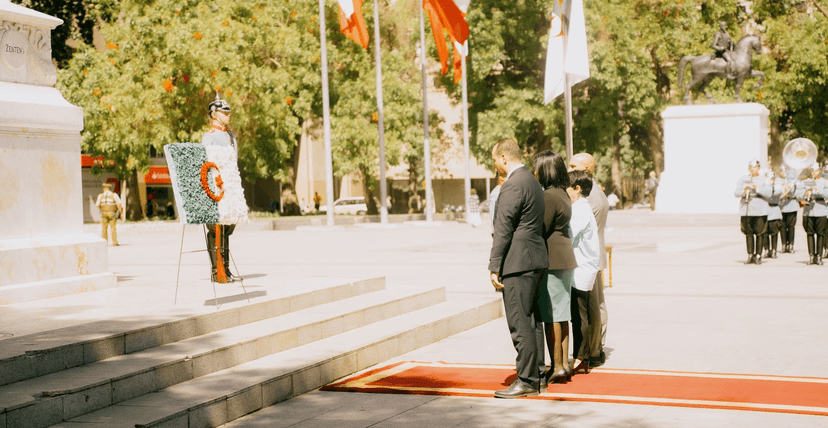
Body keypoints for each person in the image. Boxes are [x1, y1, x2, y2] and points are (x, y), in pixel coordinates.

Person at [488, 137, 548, 398]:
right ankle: (538, 376)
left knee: (519, 322)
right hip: (535, 259)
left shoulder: (512, 185)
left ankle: (526, 380)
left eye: (494, 160)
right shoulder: (532, 181)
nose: (494, 166)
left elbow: (503, 229)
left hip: (517, 262)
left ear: (503, 157)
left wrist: (494, 264)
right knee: (533, 321)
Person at [534, 150, 577, 385]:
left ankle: (558, 365)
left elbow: (541, 228)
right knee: (562, 315)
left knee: (551, 315)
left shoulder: (548, 196)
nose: (535, 172)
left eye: (538, 167)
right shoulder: (563, 194)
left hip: (552, 259)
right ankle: (564, 364)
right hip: (565, 258)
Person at [569, 153, 609, 368]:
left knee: (592, 307)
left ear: (588, 168)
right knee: (597, 305)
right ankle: (596, 349)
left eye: (574, 165)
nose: (569, 168)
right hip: (595, 257)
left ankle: (593, 351)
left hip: (588, 259)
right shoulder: (596, 190)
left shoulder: (587, 196)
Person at [566, 169, 601, 376]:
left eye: (567, 187)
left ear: (577, 189)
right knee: (579, 314)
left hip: (581, 269)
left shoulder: (580, 209)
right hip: (583, 268)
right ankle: (582, 356)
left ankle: (581, 357)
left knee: (580, 316)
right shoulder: (581, 207)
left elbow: (569, 233)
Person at [202, 92, 239, 283]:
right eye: (224, 112)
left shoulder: (231, 137)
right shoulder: (210, 137)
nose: (228, 115)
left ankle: (226, 269)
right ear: (214, 114)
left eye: (228, 112)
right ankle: (218, 270)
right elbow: (206, 165)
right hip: (216, 189)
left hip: (230, 188)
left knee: (227, 229)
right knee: (215, 229)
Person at [735, 159, 772, 264]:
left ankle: (758, 255)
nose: (752, 169)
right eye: (750, 167)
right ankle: (750, 254)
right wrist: (744, 191)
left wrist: (758, 189)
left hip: (760, 210)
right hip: (747, 210)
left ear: (758, 168)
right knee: (748, 233)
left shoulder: (764, 179)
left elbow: (769, 193)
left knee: (760, 233)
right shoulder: (743, 179)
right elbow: (736, 192)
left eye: (754, 167)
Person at [796, 162, 828, 265]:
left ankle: (818, 256)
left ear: (819, 171)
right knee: (810, 233)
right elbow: (798, 194)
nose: (814, 172)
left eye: (816, 170)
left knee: (820, 233)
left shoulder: (824, 182)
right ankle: (811, 256)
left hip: (820, 210)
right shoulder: (805, 182)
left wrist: (817, 190)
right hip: (808, 211)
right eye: (812, 170)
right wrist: (805, 194)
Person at [779, 165, 800, 254]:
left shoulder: (795, 181)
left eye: (784, 171)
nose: (782, 173)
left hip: (791, 205)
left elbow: (799, 193)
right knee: (782, 226)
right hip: (782, 206)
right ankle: (784, 245)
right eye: (781, 171)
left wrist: (790, 194)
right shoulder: (779, 181)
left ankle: (791, 245)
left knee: (791, 227)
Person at [764, 170, 785, 259]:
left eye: (772, 179)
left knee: (774, 233)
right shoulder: (764, 188)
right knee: (764, 233)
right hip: (765, 211)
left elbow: (776, 192)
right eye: (769, 179)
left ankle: (774, 250)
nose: (771, 180)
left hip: (774, 211)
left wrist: (769, 186)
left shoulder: (778, 187)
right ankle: (766, 249)